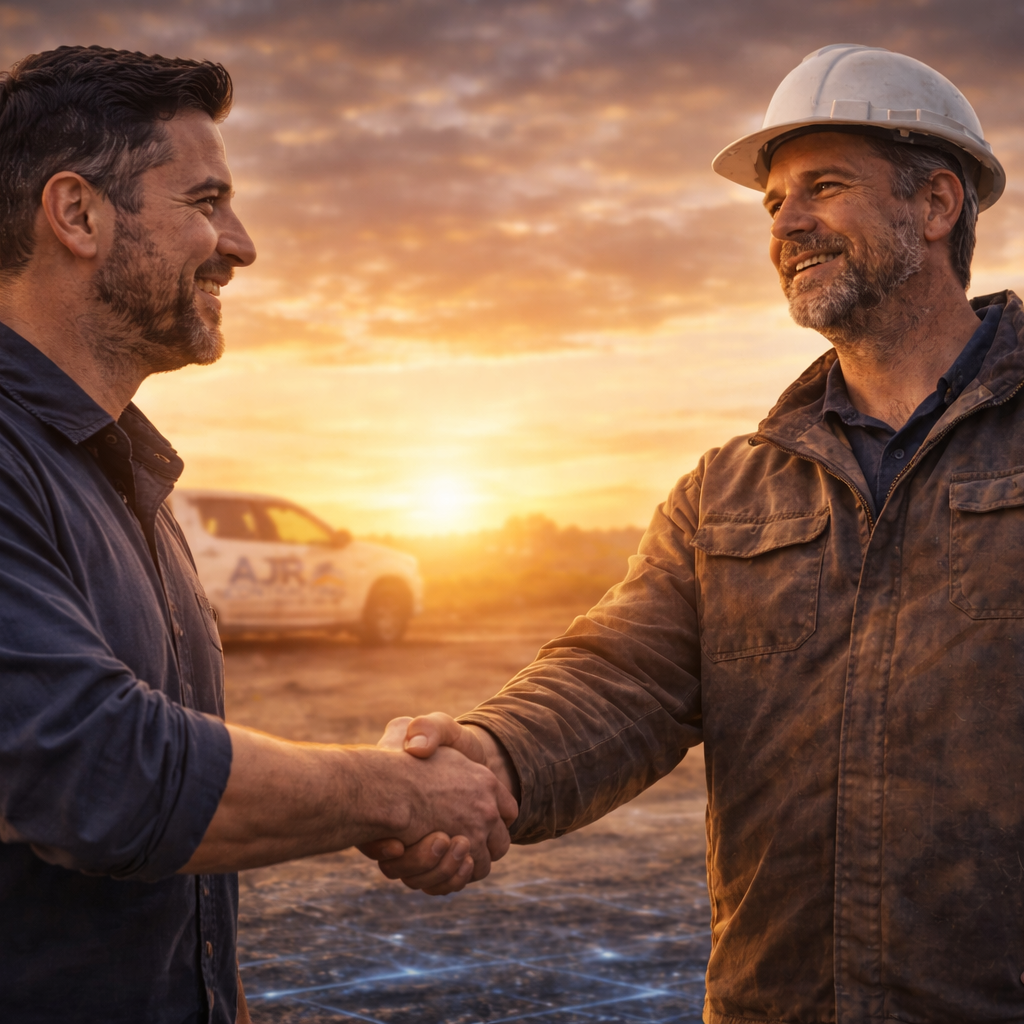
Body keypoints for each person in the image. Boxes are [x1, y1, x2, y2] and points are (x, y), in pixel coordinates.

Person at [364, 45, 1024, 1023]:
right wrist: (490, 757)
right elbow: (619, 677)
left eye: (824, 187)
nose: (787, 223)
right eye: (772, 204)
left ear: (933, 206)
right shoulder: (728, 492)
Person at [0, 46, 516, 1024]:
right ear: (76, 214)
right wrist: (399, 795)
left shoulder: (129, 480)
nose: (240, 243)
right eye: (206, 201)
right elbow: (94, 770)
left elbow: (165, 832)